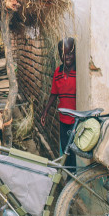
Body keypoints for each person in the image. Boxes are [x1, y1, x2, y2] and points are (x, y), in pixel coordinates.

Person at [40, 37, 76, 165]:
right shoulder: (58, 72)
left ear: (75, 53)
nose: (67, 57)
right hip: (63, 119)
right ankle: (69, 177)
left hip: (76, 121)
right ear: (60, 55)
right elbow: (53, 94)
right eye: (63, 54)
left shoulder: (78, 73)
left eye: (70, 53)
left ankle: (75, 177)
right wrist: (45, 111)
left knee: (75, 151)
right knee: (66, 149)